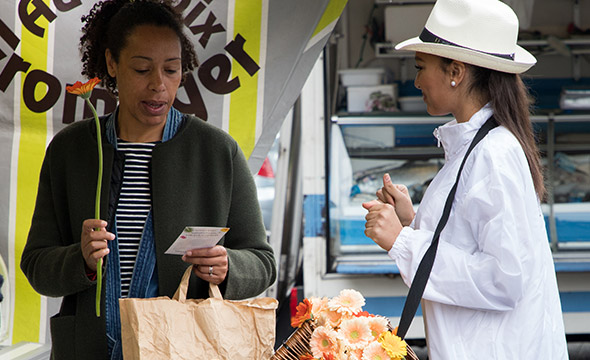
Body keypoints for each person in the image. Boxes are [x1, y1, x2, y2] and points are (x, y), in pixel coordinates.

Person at [20, 1, 276, 359]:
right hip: (89, 349)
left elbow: (262, 262)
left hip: (184, 350)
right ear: (111, 63)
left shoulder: (217, 152)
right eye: (142, 69)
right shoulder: (71, 150)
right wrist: (80, 261)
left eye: (172, 70)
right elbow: (36, 265)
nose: (159, 85)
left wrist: (228, 266)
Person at [362, 0, 568, 359]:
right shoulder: (479, 145)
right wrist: (411, 222)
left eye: (420, 67)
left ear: (455, 70)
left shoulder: (493, 152)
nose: (415, 80)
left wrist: (402, 241)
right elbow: (468, 242)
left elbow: (504, 280)